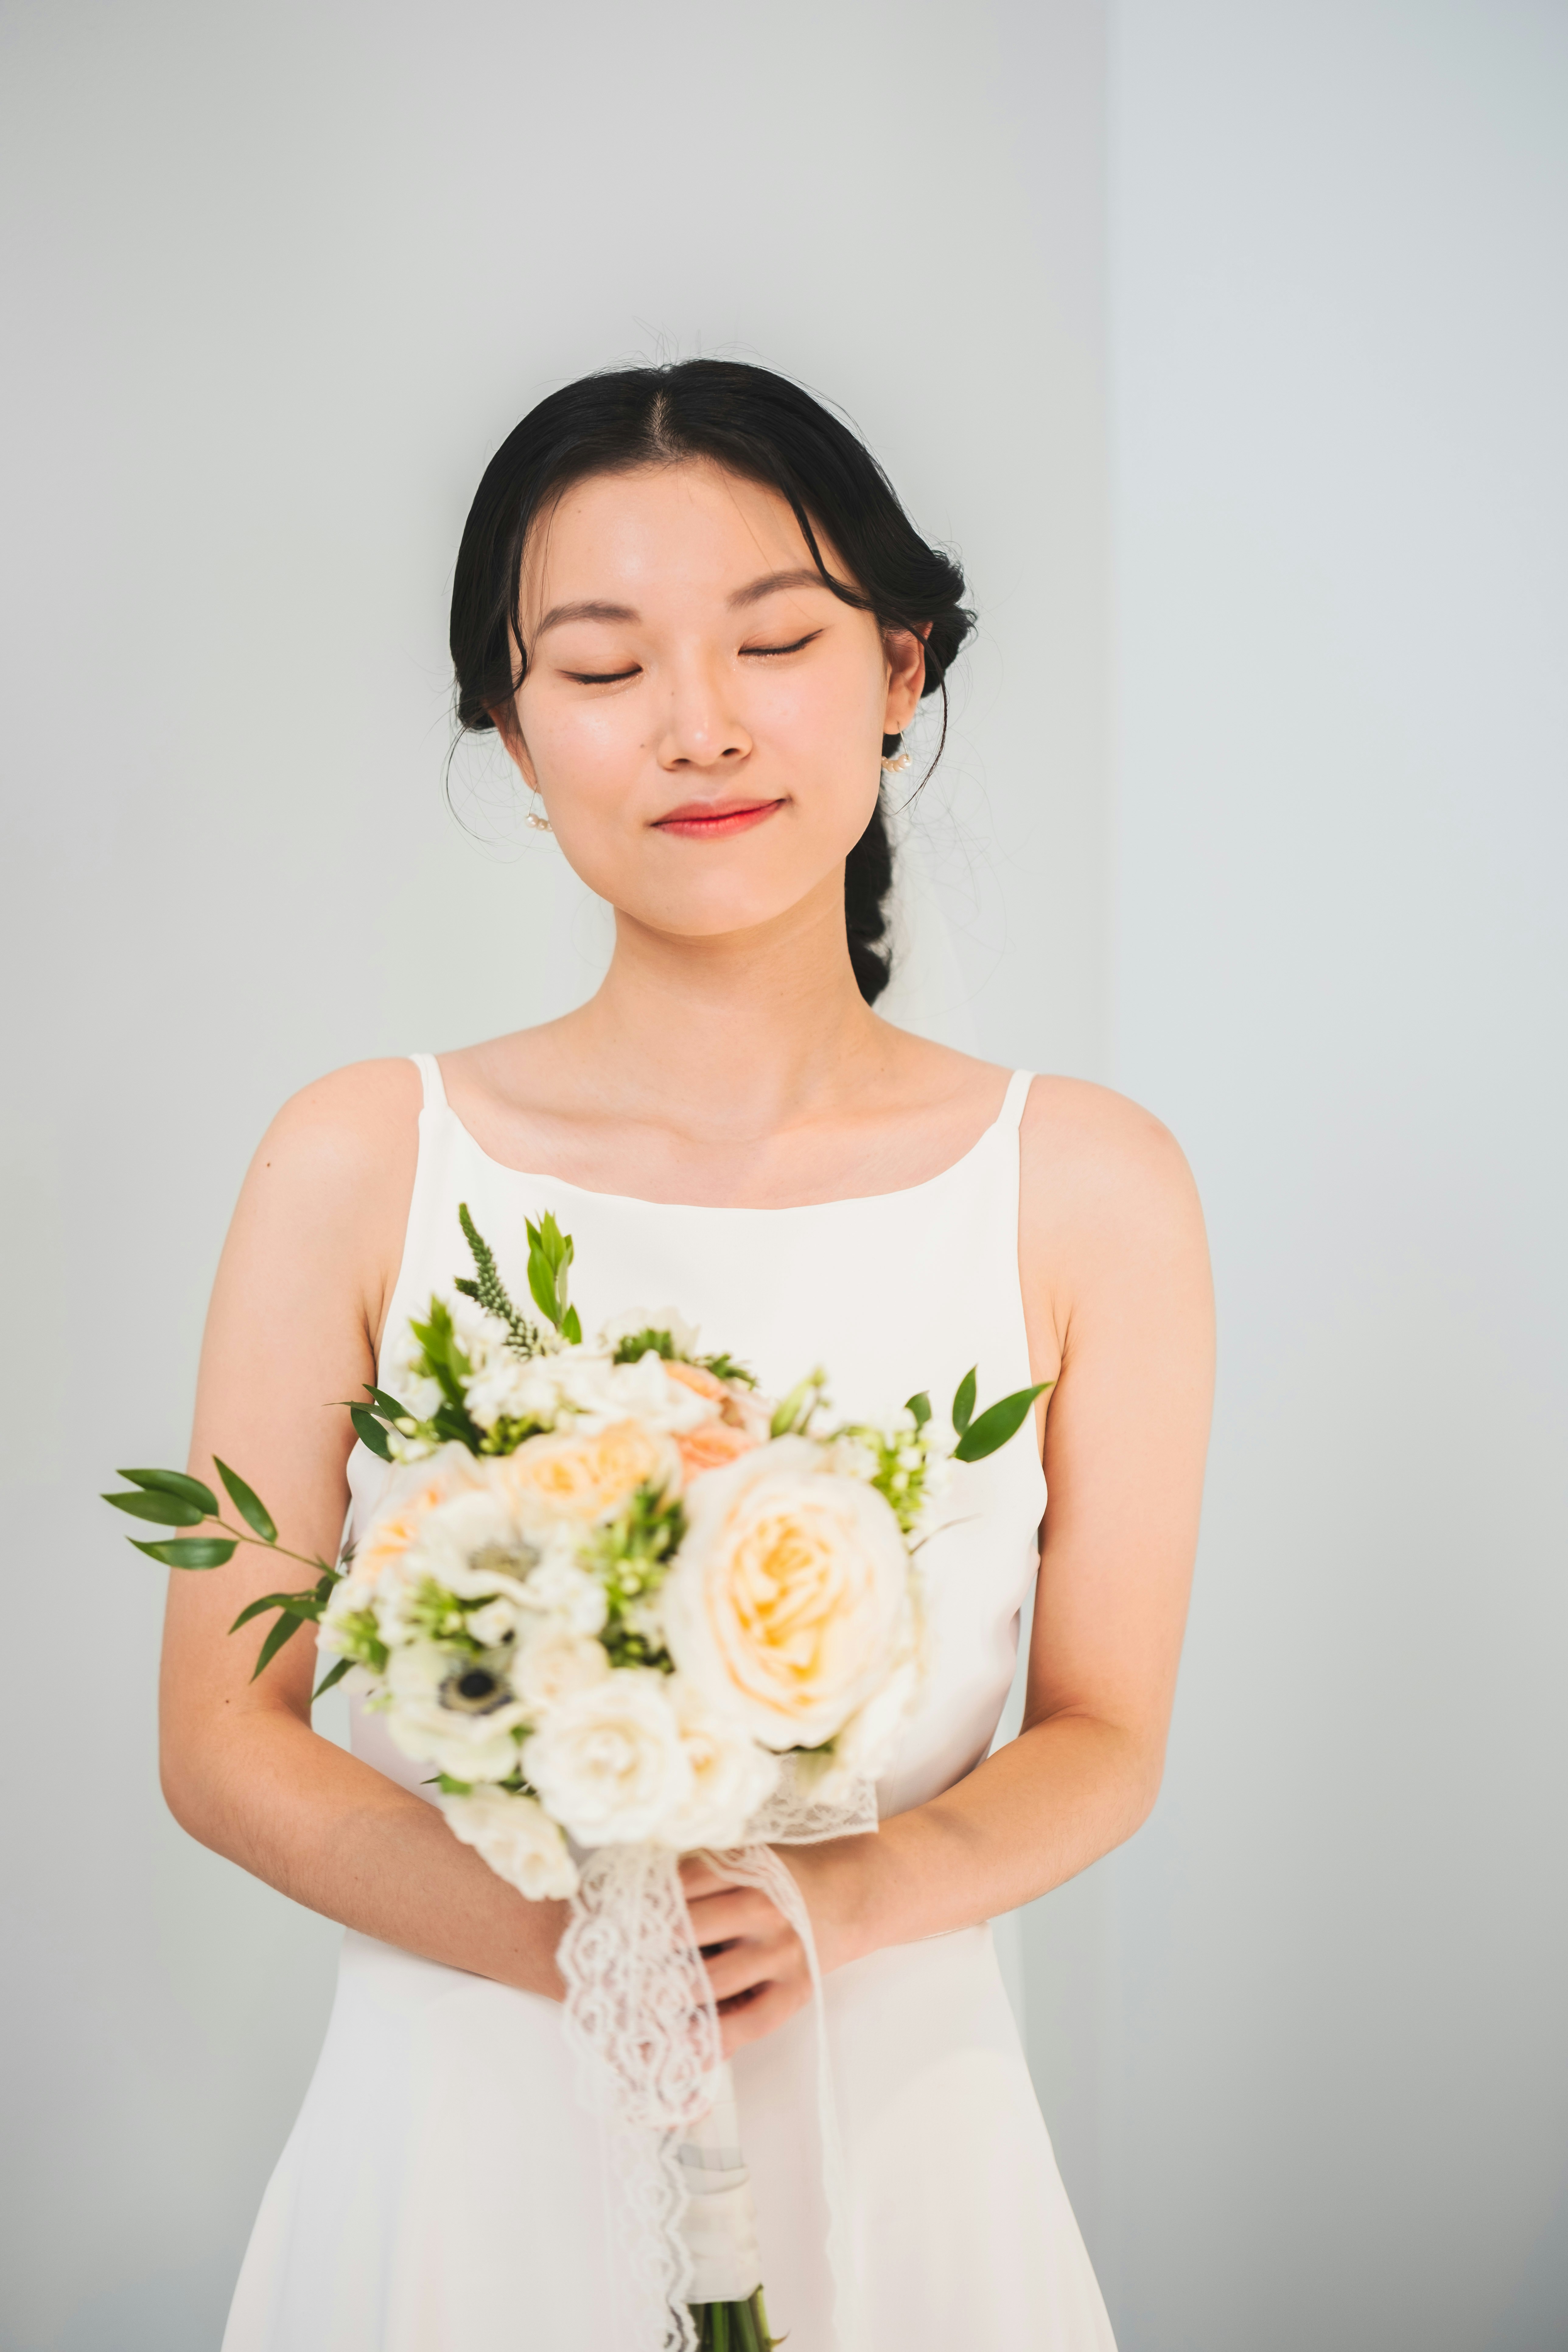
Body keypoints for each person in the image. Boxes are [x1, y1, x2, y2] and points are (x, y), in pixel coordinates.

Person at [163, 359, 1214, 2350]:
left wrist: (839, 1907)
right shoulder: (358, 1158)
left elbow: (1107, 1730)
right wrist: (586, 1947)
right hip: (463, 2132)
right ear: (512, 721)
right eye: (600, 665)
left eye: (779, 638)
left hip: (895, 2126)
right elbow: (222, 1733)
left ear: (901, 668)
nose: (701, 725)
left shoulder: (1087, 1185)